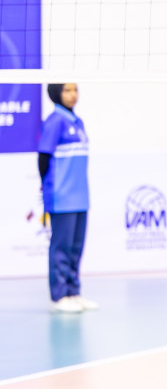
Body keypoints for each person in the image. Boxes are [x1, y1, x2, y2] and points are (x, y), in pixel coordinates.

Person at [39, 83, 93, 314]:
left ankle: (73, 292)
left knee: (76, 247)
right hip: (62, 196)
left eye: (75, 89)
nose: (73, 94)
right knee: (61, 247)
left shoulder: (77, 122)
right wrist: (48, 186)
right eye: (67, 90)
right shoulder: (55, 121)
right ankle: (59, 295)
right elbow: (43, 157)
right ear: (56, 94)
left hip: (80, 196)